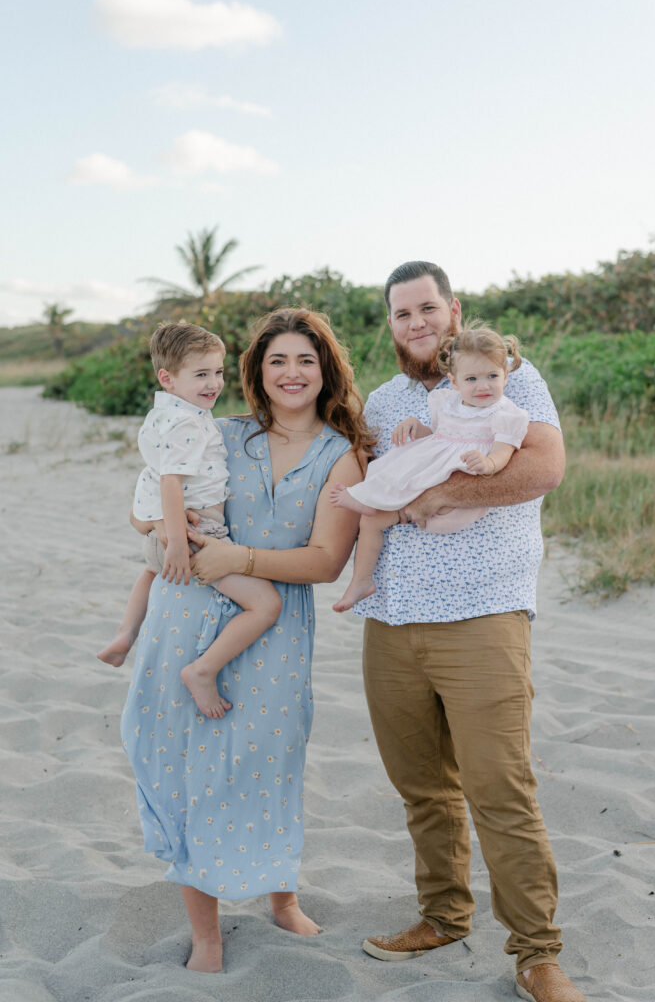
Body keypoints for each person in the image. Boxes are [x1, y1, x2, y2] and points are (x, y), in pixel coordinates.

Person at [355, 262, 587, 1002]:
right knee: (422, 787)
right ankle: (443, 916)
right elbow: (351, 489)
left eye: (428, 308)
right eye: (402, 314)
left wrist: (432, 493)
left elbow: (543, 467)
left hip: (484, 612)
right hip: (390, 619)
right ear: (390, 325)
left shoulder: (506, 376)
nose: (417, 323)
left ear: (453, 311)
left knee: (501, 788)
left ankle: (537, 954)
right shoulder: (386, 400)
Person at [121, 307, 373, 973]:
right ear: (257, 373)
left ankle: (281, 899)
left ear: (326, 371)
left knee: (269, 767)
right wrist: (159, 528)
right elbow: (145, 501)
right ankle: (206, 936)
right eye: (277, 361)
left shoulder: (339, 457)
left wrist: (238, 560)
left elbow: (324, 562)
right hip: (184, 614)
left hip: (274, 630)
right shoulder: (219, 432)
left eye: (305, 361)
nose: (291, 373)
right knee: (184, 770)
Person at [98, 321, 282, 720]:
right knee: (265, 604)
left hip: (165, 530)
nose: (213, 383)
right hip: (197, 534)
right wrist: (179, 543)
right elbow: (170, 483)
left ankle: (125, 633)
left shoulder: (162, 415)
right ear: (167, 378)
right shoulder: (188, 424)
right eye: (201, 374)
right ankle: (202, 670)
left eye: (217, 372)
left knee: (150, 573)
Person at [331, 323, 529, 612]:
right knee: (372, 518)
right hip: (432, 469)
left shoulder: (506, 413)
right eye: (472, 378)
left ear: (505, 375)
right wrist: (417, 427)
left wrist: (488, 464)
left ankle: (370, 498)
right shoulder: (449, 403)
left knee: (404, 497)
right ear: (455, 381)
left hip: (457, 488)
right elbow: (439, 436)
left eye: (492, 376)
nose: (483, 386)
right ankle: (361, 580)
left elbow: (504, 452)